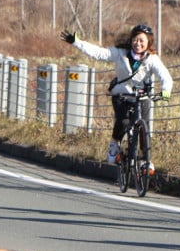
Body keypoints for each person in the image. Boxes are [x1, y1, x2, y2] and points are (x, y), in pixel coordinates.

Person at [61, 23, 173, 166]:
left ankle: (146, 160)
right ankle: (115, 144)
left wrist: (165, 92)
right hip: (122, 94)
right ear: (131, 40)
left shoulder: (152, 59)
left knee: (144, 129)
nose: (137, 43)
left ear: (148, 43)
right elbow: (99, 53)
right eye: (135, 40)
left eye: (141, 41)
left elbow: (165, 76)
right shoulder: (119, 53)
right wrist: (77, 42)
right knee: (124, 122)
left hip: (142, 97)